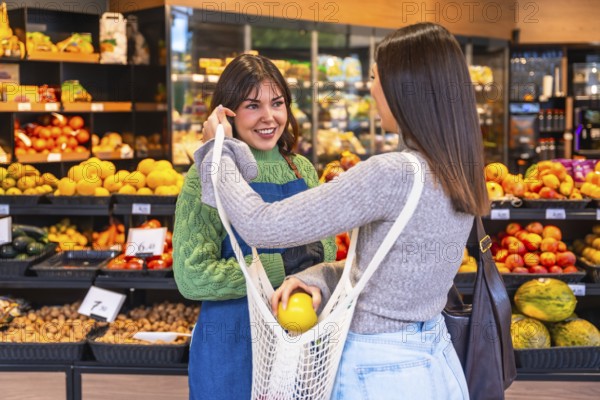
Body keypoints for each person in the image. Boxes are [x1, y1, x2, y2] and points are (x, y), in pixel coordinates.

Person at [196, 23, 489, 400]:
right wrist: (318, 277)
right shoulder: (457, 169)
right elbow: (387, 275)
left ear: (404, 88)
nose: (370, 88)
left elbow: (260, 225)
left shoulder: (392, 173)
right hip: (434, 360)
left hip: (379, 369)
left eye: (374, 77)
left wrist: (217, 153)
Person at [173, 54, 337, 400]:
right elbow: (192, 275)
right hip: (231, 347)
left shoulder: (302, 170)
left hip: (300, 345)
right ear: (227, 113)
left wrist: (308, 278)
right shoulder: (205, 175)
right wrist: (280, 268)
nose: (269, 117)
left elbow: (327, 251)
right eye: (252, 106)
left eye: (277, 103)